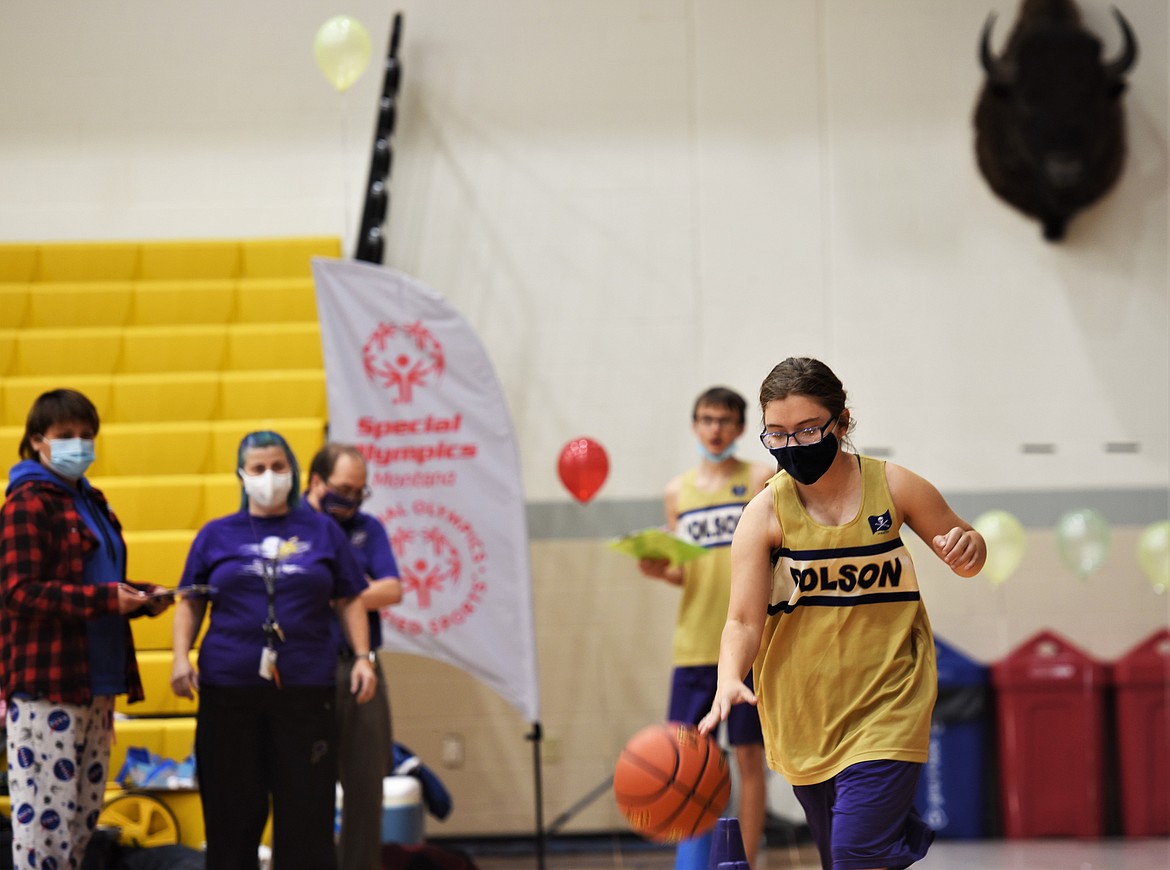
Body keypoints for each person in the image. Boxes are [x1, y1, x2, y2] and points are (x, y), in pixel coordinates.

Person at [699, 358, 987, 870]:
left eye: (809, 429)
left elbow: (967, 553)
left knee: (856, 851)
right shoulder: (763, 514)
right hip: (804, 710)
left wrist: (970, 548)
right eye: (778, 434)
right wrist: (727, 678)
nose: (794, 446)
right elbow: (742, 621)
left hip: (889, 699)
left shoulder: (895, 486)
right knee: (841, 857)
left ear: (842, 422)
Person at [170, 430, 377, 870]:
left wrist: (363, 657)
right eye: (259, 468)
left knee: (306, 816)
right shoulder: (215, 535)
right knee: (231, 818)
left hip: (305, 691)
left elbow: (350, 598)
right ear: (242, 475)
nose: (269, 476)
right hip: (229, 692)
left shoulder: (323, 532)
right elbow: (190, 600)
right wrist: (179, 657)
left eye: (278, 467)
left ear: (294, 471)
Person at [1, 388, 171, 870]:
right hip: (47, 688)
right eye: (65, 436)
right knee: (44, 836)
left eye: (86, 436)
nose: (79, 444)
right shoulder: (27, 503)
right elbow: (18, 592)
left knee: (78, 830)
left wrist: (136, 598)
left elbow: (92, 581)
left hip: (97, 683)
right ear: (37, 441)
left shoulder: (91, 500)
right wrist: (105, 599)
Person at [638, 386, 772, 870]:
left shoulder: (761, 478)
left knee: (749, 759)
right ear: (695, 425)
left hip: (747, 646)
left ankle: (747, 862)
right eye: (706, 419)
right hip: (693, 645)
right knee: (689, 765)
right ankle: (693, 861)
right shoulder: (677, 492)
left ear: (739, 428)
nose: (714, 428)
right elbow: (687, 569)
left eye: (724, 420)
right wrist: (660, 570)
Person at [304, 443, 403, 870]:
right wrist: (358, 590)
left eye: (360, 491)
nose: (352, 499)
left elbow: (392, 589)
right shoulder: (294, 526)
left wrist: (339, 593)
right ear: (316, 483)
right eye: (344, 489)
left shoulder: (368, 528)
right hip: (306, 669)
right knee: (307, 787)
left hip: (359, 665)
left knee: (366, 785)